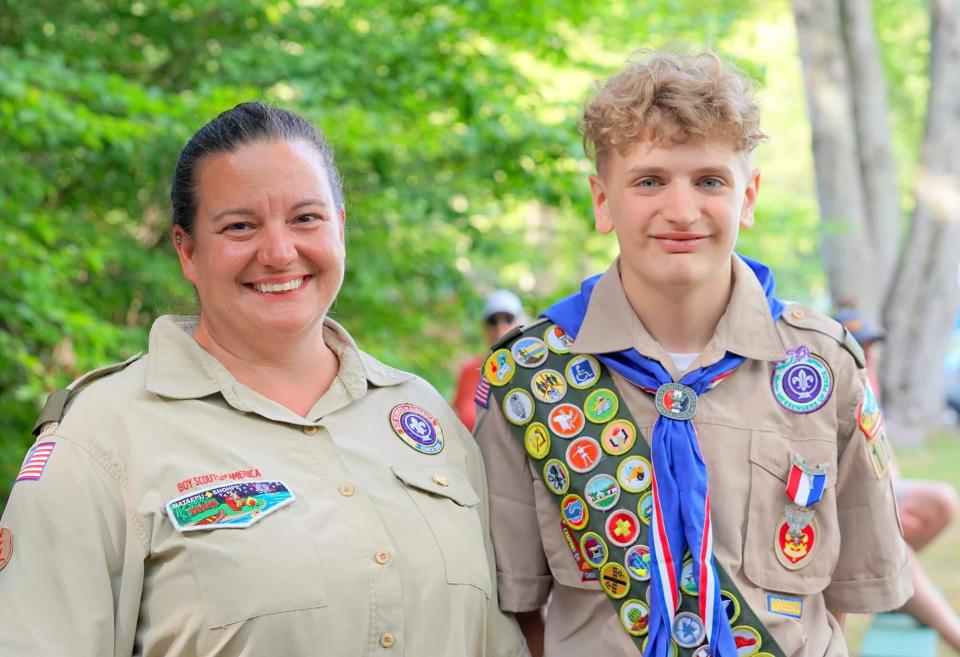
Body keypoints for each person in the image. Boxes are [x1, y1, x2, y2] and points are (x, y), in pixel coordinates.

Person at [0, 102, 528, 657]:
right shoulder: (100, 438)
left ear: (340, 228)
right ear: (187, 250)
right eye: (240, 226)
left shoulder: (424, 418)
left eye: (306, 218)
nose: (279, 252)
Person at [474, 52, 911, 657]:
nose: (681, 212)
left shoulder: (824, 367)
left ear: (749, 196)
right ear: (603, 201)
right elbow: (516, 607)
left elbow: (842, 595)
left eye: (710, 180)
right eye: (649, 180)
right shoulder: (530, 376)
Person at [836, 307, 960, 653]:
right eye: (860, 347)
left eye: (872, 347)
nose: (869, 356)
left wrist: (888, 502)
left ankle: (887, 578)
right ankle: (952, 632)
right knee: (890, 542)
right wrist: (884, 511)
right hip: (839, 510)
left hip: (874, 498)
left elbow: (886, 462)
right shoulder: (827, 387)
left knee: (942, 500)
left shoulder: (870, 386)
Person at [453, 289, 524, 430]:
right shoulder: (470, 370)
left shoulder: (530, 368)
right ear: (484, 327)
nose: (500, 327)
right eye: (493, 321)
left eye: (508, 319)